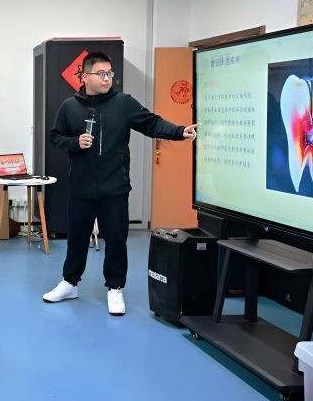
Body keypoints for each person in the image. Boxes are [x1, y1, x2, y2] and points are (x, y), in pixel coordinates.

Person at [43, 51, 199, 313]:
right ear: (85, 77)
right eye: (101, 74)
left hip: (114, 187)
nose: (107, 79)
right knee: (76, 240)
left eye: (109, 73)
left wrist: (178, 131)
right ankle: (70, 283)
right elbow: (55, 137)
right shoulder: (70, 106)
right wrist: (75, 142)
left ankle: (115, 288)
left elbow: (151, 123)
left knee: (116, 241)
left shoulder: (123, 103)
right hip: (81, 188)